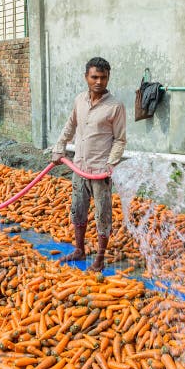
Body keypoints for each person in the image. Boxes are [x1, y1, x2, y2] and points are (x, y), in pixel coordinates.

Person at [51, 57, 126, 272]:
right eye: (94, 77)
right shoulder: (79, 101)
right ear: (86, 77)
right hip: (79, 167)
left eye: (103, 77)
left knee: (103, 214)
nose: (99, 81)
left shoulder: (115, 106)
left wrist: (111, 163)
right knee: (78, 210)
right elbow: (70, 125)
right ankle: (79, 249)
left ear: (108, 78)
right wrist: (59, 148)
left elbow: (120, 139)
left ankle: (100, 259)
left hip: (100, 171)